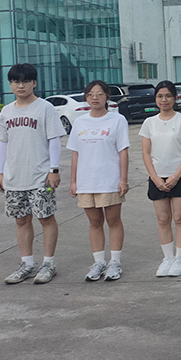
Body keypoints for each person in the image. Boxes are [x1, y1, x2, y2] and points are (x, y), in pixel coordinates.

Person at [0, 63, 65, 284]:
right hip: (14, 177)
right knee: (21, 220)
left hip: (40, 176)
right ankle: (27, 263)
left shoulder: (45, 108)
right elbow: (3, 143)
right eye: (16, 81)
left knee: (45, 218)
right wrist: (0, 172)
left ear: (34, 83)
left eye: (26, 81)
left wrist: (54, 169)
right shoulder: (7, 111)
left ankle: (48, 264)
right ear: (10, 84)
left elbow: (54, 139)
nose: (21, 85)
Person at [67, 80, 130, 282]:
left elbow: (123, 151)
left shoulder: (117, 120)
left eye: (99, 94)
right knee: (94, 222)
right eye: (90, 94)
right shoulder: (80, 123)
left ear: (107, 97)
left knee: (113, 221)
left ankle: (115, 262)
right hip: (86, 181)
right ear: (86, 98)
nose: (95, 98)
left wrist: (123, 180)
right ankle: (99, 262)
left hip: (109, 180)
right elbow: (75, 154)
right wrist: (73, 181)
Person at [139, 80, 181, 277]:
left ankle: (180, 258)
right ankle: (168, 258)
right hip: (157, 176)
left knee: (179, 218)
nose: (164, 100)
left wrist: (176, 176)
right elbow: (146, 153)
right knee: (163, 219)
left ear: (174, 98)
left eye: (168, 96)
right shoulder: (149, 123)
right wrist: (155, 178)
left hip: (179, 175)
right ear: (156, 99)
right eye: (160, 96)